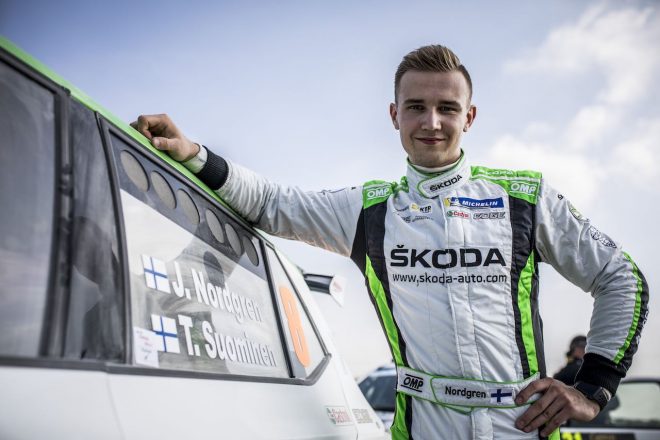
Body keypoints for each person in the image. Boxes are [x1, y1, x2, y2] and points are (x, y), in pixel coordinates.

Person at [132, 45, 648, 440]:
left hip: (522, 426)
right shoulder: (368, 209)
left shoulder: (525, 197)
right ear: (394, 114)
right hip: (421, 427)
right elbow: (271, 202)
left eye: (447, 108)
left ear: (469, 117)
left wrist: (592, 388)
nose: (432, 122)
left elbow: (621, 277)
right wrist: (195, 154)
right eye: (416, 107)